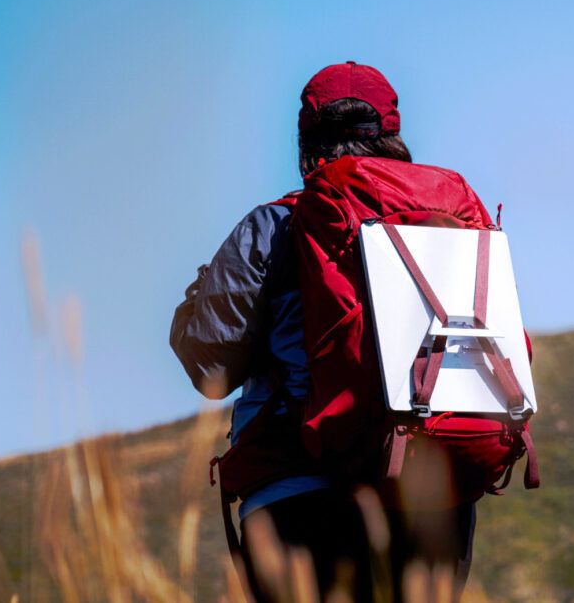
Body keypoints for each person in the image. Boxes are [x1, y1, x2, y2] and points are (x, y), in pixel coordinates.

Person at [170, 62, 478, 602]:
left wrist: (193, 305)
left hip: (298, 497)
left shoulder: (274, 225)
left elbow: (212, 368)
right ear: (393, 135)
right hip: (435, 503)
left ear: (305, 142)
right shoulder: (450, 223)